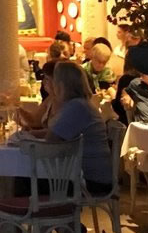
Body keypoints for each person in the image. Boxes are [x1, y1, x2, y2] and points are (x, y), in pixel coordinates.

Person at [44, 61, 113, 196]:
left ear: (61, 85)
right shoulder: (81, 104)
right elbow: (56, 132)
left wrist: (54, 97)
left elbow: (51, 139)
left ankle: (31, 214)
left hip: (91, 181)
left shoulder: (77, 107)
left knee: (27, 179)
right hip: (94, 175)